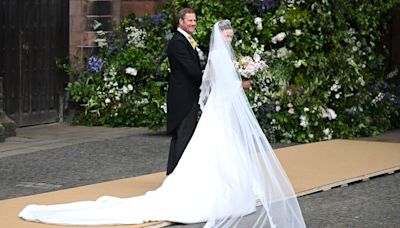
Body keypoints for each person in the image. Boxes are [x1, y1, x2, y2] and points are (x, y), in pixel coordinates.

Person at [19, 20, 306, 227]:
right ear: (220, 37)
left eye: (231, 37)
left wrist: (240, 75)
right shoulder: (218, 56)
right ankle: (213, 187)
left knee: (218, 147)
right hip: (219, 108)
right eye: (227, 37)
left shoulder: (222, 55)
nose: (229, 40)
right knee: (211, 147)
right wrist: (240, 81)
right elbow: (213, 81)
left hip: (219, 108)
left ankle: (230, 183)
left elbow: (209, 80)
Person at [165, 8, 203, 175]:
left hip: (187, 95)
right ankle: (179, 176)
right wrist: (209, 79)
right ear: (181, 22)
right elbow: (191, 69)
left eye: (194, 20)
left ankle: (173, 173)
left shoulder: (186, 39)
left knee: (182, 135)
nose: (193, 23)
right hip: (183, 98)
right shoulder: (178, 42)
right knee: (184, 135)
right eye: (190, 21)